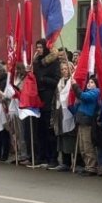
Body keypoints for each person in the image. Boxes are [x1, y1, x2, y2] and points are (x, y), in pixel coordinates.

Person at [33, 39, 62, 168]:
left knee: (49, 130)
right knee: (40, 130)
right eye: (37, 47)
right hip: (38, 99)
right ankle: (41, 156)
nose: (38, 49)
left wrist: (43, 79)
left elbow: (56, 80)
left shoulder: (54, 62)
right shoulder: (37, 62)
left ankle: (52, 158)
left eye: (40, 47)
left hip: (49, 98)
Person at [52, 61, 77, 171]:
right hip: (60, 112)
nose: (64, 71)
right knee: (62, 137)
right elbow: (55, 99)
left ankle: (76, 162)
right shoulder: (60, 82)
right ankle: (65, 162)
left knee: (71, 137)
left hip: (70, 112)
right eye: (62, 69)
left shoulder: (73, 82)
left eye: (66, 69)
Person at [73, 77, 100, 176]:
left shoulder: (96, 92)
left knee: (88, 145)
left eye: (92, 82)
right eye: (88, 82)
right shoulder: (86, 93)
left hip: (87, 121)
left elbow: (84, 96)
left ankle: (92, 167)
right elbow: (77, 107)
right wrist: (76, 104)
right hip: (81, 121)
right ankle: (87, 165)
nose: (89, 83)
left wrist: (75, 85)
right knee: (82, 146)